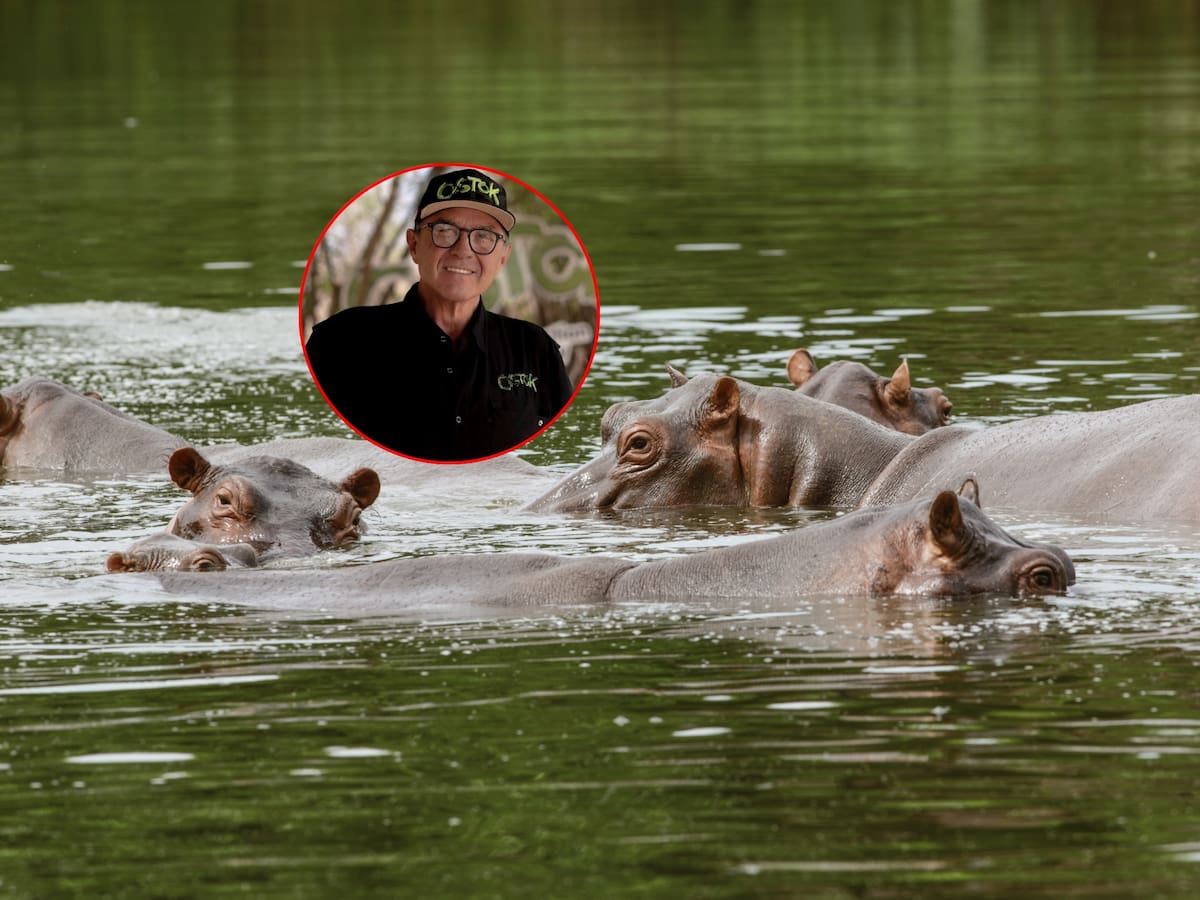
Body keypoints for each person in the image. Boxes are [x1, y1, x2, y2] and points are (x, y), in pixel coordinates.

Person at [305, 168, 574, 461]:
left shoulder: (536, 350)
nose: (463, 250)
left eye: (484, 236)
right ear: (414, 245)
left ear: (503, 258)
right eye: (445, 231)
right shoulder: (339, 342)